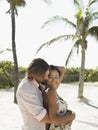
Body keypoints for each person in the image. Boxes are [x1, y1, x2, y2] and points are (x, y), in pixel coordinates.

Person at [16, 58, 75, 130]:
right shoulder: (26, 88)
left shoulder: (41, 84)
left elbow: (62, 69)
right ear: (40, 74)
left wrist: (47, 67)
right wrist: (71, 116)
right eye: (48, 75)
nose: (48, 78)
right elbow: (45, 118)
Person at [43, 65, 75, 130]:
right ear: (45, 77)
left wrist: (68, 112)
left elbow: (63, 69)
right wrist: (73, 115)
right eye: (50, 76)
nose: (54, 80)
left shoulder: (52, 90)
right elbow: (54, 119)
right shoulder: (50, 91)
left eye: (56, 77)